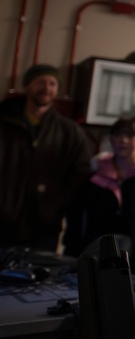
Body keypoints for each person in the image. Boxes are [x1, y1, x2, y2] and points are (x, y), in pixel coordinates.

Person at [63, 116, 135, 274]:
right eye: (117, 135)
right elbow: (76, 217)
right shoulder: (94, 177)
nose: (122, 140)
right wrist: (73, 252)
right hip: (93, 255)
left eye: (130, 135)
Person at [0, 64, 92, 250]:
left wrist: (57, 204)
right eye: (40, 82)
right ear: (27, 86)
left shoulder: (69, 131)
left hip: (43, 227)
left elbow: (81, 172)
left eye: (52, 83)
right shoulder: (3, 122)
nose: (46, 88)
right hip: (2, 222)